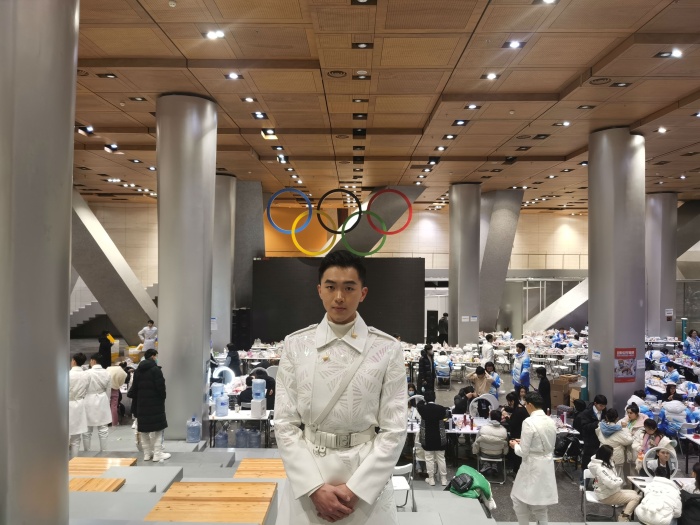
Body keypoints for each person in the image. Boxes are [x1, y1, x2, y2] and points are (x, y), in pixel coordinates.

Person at [274, 250, 407, 525]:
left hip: (364, 477)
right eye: (331, 287)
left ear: (363, 293)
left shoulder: (387, 349)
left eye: (349, 288)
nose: (339, 297)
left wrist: (357, 490)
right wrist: (313, 487)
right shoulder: (296, 345)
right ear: (319, 290)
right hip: (309, 475)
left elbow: (394, 429)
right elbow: (285, 423)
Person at [509, 392, 558, 525]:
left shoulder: (529, 422)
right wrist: (524, 442)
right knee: (540, 504)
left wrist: (515, 446)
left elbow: (523, 452)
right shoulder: (550, 420)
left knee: (518, 500)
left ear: (530, 405)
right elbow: (546, 443)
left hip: (532, 465)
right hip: (547, 464)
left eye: (525, 404)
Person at [128, 349, 170, 462]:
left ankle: (147, 455)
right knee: (158, 430)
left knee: (144, 431)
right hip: (155, 404)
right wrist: (162, 398)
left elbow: (134, 389)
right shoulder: (156, 370)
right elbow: (161, 389)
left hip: (141, 405)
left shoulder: (138, 371)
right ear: (152, 356)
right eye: (156, 356)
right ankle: (157, 454)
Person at [588, 444, 641, 522]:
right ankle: (623, 518)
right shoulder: (600, 468)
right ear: (606, 456)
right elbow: (611, 484)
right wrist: (619, 480)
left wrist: (616, 479)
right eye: (611, 454)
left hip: (606, 491)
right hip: (606, 495)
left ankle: (623, 514)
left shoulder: (603, 462)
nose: (612, 456)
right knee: (636, 498)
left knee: (634, 493)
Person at [416, 390, 448, 486]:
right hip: (440, 438)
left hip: (427, 438)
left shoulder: (422, 409)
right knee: (441, 459)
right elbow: (446, 415)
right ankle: (444, 479)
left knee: (429, 459)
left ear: (425, 399)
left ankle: (431, 479)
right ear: (435, 398)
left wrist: (423, 400)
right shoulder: (441, 409)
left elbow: (419, 404)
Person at [83, 353, 112, 452]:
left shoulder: (87, 373)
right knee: (103, 428)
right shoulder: (107, 373)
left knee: (87, 429)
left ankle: (87, 451)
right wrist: (107, 401)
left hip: (88, 399)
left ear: (93, 361)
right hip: (102, 398)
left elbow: (83, 388)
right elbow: (108, 390)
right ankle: (104, 451)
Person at [594, 408, 633, 479]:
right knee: (616, 477)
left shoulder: (601, 427)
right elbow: (629, 441)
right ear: (617, 418)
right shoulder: (618, 430)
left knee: (602, 475)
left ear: (606, 417)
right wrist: (625, 428)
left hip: (602, 453)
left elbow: (598, 435)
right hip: (615, 456)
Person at [576, 394, 607, 471]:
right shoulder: (586, 413)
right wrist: (597, 423)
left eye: (604, 406)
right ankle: (584, 478)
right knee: (587, 465)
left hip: (601, 441)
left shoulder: (604, 412)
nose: (602, 408)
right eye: (601, 406)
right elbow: (584, 427)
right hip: (589, 441)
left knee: (599, 465)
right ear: (595, 403)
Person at [473, 410, 509, 474]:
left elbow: (476, 443)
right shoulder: (504, 431)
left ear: (490, 417)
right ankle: (495, 464)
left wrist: (475, 451)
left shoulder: (483, 429)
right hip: (498, 455)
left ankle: (485, 464)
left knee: (475, 444)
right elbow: (505, 446)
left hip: (484, 453)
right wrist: (504, 453)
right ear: (501, 418)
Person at [69, 353, 90, 458]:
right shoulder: (86, 375)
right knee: (76, 439)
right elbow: (86, 389)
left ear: (73, 361)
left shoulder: (67, 374)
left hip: (67, 404)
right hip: (80, 404)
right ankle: (74, 462)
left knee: (64, 436)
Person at [503, 391, 529, 474]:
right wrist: (505, 409)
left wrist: (506, 416)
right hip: (519, 432)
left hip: (518, 434)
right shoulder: (520, 407)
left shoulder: (519, 411)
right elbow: (512, 409)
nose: (508, 403)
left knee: (516, 454)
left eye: (509, 401)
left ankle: (515, 470)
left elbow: (512, 424)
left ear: (512, 401)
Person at [106, 361, 127, 426]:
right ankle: (114, 423)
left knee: (105, 405)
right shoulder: (123, 373)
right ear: (125, 367)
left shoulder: (109, 368)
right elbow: (121, 383)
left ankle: (105, 422)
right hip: (115, 389)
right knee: (114, 406)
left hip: (106, 388)